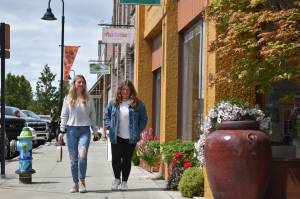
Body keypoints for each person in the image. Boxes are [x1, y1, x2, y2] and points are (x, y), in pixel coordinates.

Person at [58, 74, 100, 193]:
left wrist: (95, 131)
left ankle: (82, 182)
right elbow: (64, 115)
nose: (81, 84)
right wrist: (62, 131)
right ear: (74, 84)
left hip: (84, 131)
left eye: (83, 82)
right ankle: (75, 183)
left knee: (82, 156)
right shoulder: (68, 98)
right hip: (71, 131)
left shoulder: (89, 98)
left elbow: (93, 115)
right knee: (73, 160)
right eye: (79, 82)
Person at [104, 80, 148, 191]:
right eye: (123, 89)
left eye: (127, 89)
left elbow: (144, 118)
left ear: (131, 91)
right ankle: (117, 179)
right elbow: (106, 116)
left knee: (127, 159)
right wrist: (109, 127)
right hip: (116, 135)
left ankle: (124, 182)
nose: (125, 91)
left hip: (131, 137)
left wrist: (138, 130)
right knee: (116, 159)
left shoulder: (137, 103)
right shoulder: (113, 102)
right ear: (120, 90)